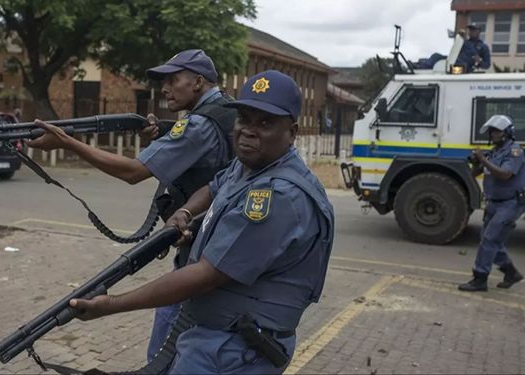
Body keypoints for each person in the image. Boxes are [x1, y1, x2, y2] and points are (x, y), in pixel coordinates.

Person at [68, 70, 335, 374]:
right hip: (217, 340)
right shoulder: (251, 164)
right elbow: (215, 186)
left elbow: (206, 275)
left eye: (265, 123)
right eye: (244, 119)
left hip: (233, 353)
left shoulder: (277, 196)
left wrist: (112, 303)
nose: (248, 131)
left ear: (293, 132)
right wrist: (185, 213)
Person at [25, 49, 236, 361]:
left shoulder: (198, 126)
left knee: (162, 354)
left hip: (197, 254)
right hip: (218, 245)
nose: (164, 88)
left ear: (198, 82)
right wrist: (162, 131)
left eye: (173, 80)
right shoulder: (227, 109)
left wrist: (68, 143)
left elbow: (133, 172)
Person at [459, 114, 525, 292]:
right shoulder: (494, 151)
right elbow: (474, 174)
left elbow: (505, 174)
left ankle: (479, 278)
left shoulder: (515, 151)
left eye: (495, 131)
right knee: (490, 240)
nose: (492, 135)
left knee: (489, 239)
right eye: (491, 131)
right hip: (494, 202)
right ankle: (510, 272)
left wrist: (484, 160)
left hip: (511, 203)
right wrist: (476, 163)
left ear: (506, 133)